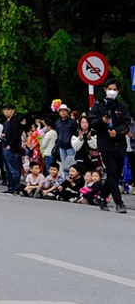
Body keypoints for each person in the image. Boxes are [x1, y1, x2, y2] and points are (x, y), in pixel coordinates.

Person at [88, 78, 132, 214]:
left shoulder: (122, 107)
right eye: (110, 89)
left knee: (116, 174)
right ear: (105, 89)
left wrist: (117, 132)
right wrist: (102, 120)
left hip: (119, 145)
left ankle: (101, 197)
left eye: (115, 89)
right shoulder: (98, 105)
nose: (112, 91)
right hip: (105, 145)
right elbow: (92, 123)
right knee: (112, 172)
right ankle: (119, 202)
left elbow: (126, 125)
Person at [0, 103, 22, 195]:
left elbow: (16, 135)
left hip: (11, 148)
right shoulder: (5, 122)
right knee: (7, 169)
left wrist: (10, 144)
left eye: (8, 109)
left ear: (12, 111)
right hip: (4, 146)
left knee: (14, 169)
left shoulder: (15, 121)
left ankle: (16, 188)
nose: (6, 111)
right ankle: (10, 187)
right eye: (5, 110)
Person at [55, 103, 78, 178]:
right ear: (59, 112)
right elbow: (57, 133)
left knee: (71, 165)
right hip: (61, 146)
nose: (63, 112)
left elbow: (76, 132)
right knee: (64, 165)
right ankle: (65, 180)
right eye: (61, 111)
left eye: (65, 111)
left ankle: (71, 179)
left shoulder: (72, 122)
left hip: (70, 146)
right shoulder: (57, 122)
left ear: (67, 112)